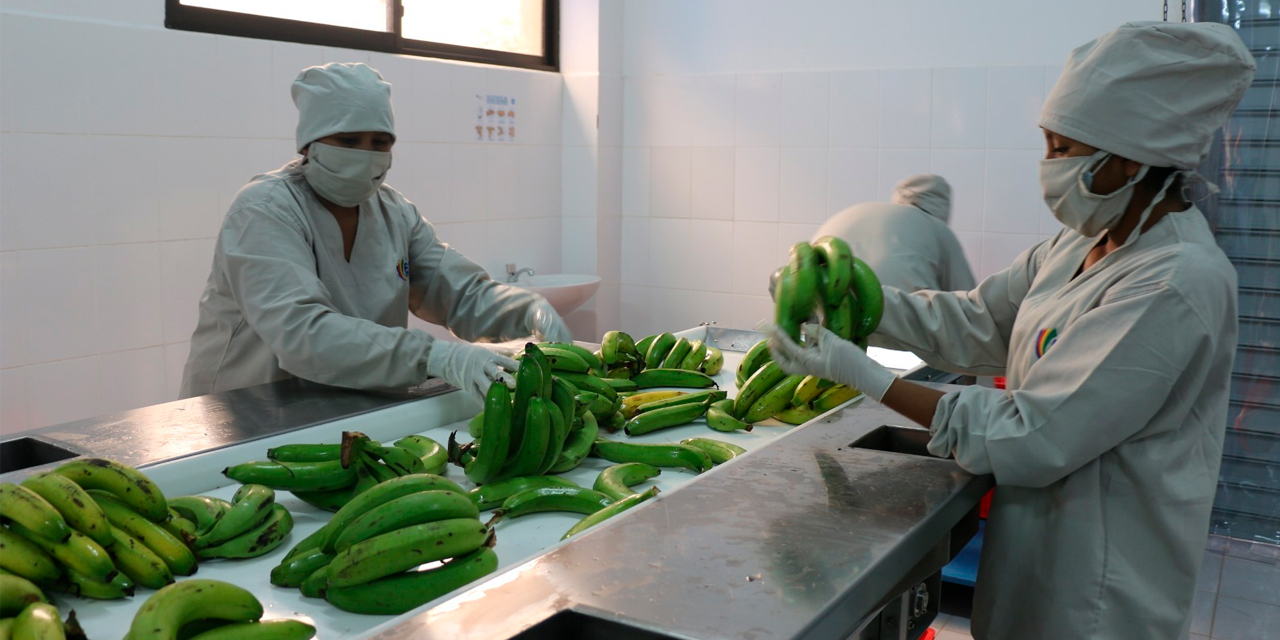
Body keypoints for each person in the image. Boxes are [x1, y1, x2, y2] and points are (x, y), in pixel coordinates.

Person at [768, 22, 1254, 640]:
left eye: (1061, 148)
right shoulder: (1078, 242)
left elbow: (1034, 434)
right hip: (1034, 553)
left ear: (1130, 158)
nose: (1047, 166)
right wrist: (854, 302)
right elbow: (977, 319)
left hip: (1102, 588)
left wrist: (866, 375)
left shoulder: (1175, 283)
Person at [181, 63, 570, 402]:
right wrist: (433, 357)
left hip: (345, 402)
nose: (365, 154)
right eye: (348, 141)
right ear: (310, 144)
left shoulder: (394, 213)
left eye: (379, 142)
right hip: (244, 410)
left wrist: (524, 309)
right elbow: (303, 334)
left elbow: (458, 292)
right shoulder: (264, 211)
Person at [814, 174, 975, 292]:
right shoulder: (938, 228)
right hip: (886, 316)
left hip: (811, 294)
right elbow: (968, 303)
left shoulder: (864, 210)